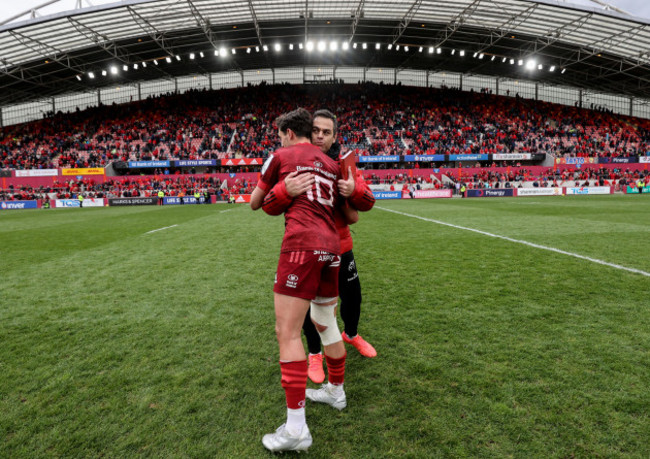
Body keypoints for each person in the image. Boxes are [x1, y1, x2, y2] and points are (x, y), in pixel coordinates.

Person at [250, 108, 352, 453]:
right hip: (332, 247)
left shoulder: (281, 155)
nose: (279, 140)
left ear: (290, 133)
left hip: (301, 246)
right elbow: (349, 211)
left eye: (280, 135)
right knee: (325, 322)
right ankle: (336, 392)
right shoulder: (330, 162)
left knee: (288, 333)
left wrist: (282, 189)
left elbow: (255, 202)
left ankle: (296, 430)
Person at [261, 109, 377, 386]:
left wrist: (354, 191)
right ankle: (315, 353)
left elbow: (365, 204)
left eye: (326, 132)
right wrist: (285, 191)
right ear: (307, 131)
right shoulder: (293, 162)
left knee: (352, 296)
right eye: (316, 130)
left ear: (335, 136)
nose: (320, 136)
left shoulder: (342, 165)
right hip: (308, 247)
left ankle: (351, 333)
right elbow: (269, 205)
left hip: (341, 245)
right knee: (309, 306)